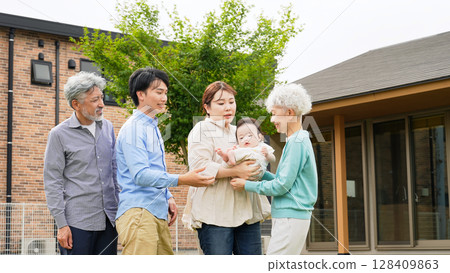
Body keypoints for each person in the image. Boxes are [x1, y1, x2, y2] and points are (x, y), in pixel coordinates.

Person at [115, 67, 215, 255]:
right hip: (139, 211)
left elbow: (153, 168)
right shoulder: (133, 128)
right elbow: (141, 175)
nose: (164, 98)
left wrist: (167, 196)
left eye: (165, 93)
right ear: (141, 95)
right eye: (158, 92)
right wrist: (183, 179)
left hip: (156, 211)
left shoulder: (152, 126)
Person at [183, 81, 271, 255]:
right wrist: (236, 171)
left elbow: (256, 157)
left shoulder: (238, 130)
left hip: (246, 213)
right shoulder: (201, 129)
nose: (228, 107)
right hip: (215, 216)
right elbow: (200, 167)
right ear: (207, 107)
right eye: (221, 103)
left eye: (231, 102)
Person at [230, 83, 318, 255]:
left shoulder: (296, 142)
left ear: (289, 112)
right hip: (290, 215)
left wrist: (245, 185)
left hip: (290, 216)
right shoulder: (298, 140)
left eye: (274, 114)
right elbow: (284, 181)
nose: (271, 120)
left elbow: (281, 186)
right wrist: (261, 174)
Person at [44, 72, 119, 255]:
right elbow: (52, 181)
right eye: (95, 100)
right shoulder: (59, 134)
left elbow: (115, 171)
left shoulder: (108, 127)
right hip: (77, 224)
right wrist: (61, 225)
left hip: (109, 220)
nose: (102, 104)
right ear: (76, 104)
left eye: (101, 97)